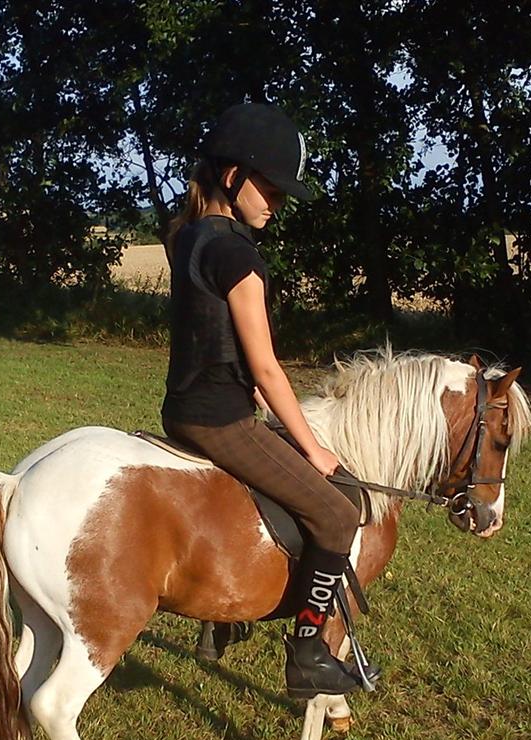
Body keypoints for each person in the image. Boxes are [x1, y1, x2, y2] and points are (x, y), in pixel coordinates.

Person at [160, 102, 375, 700]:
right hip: (221, 422)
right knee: (336, 511)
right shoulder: (239, 256)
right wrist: (316, 449)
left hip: (184, 407)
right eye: (272, 189)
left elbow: (213, 337)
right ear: (233, 176)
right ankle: (308, 652)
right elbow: (267, 367)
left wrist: (246, 382)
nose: (277, 203)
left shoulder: (190, 237)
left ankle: (222, 617)